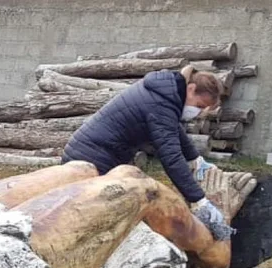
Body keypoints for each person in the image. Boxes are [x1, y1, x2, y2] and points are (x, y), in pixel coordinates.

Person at [63, 65, 230, 236]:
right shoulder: (161, 103)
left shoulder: (166, 93)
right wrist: (199, 200)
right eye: (199, 105)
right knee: (97, 223)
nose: (198, 112)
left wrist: (195, 159)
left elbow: (173, 129)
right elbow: (171, 157)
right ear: (191, 89)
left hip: (92, 151)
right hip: (91, 158)